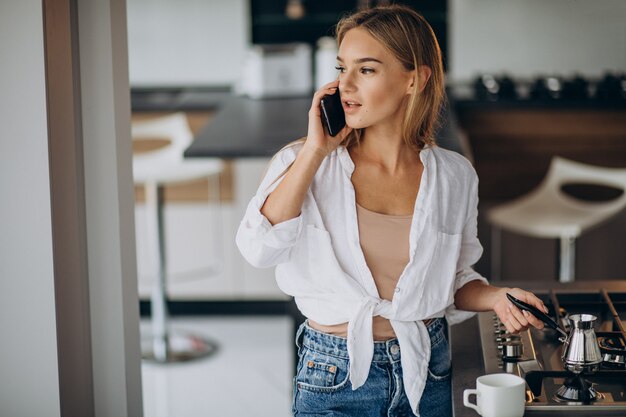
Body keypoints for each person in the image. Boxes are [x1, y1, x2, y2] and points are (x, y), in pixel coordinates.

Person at [236, 4, 547, 417]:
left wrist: (495, 297)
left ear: (414, 79)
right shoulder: (306, 163)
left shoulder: (454, 176)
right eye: (341, 67)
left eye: (365, 70)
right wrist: (315, 150)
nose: (344, 84)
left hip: (428, 370)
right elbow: (258, 249)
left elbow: (451, 280)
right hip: (335, 375)